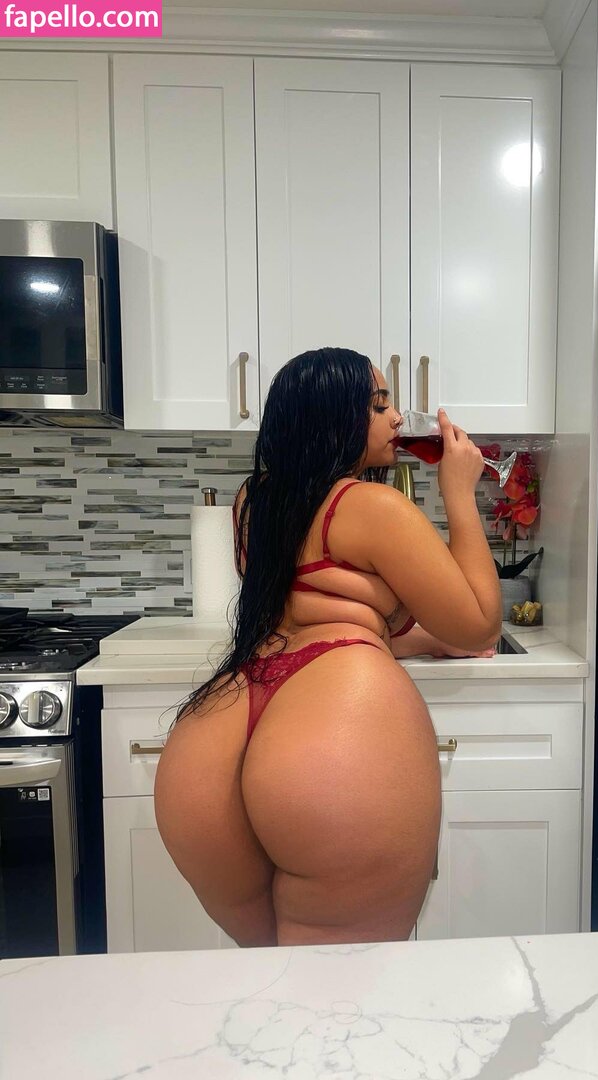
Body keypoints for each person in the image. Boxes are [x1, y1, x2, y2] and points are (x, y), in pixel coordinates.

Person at [154, 347, 502, 947]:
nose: (397, 418)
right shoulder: (372, 505)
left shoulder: (253, 501)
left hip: (213, 741)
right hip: (329, 747)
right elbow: (479, 624)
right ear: (333, 416)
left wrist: (417, 643)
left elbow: (312, 613)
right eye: (379, 404)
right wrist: (459, 492)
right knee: (340, 992)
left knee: (271, 984)